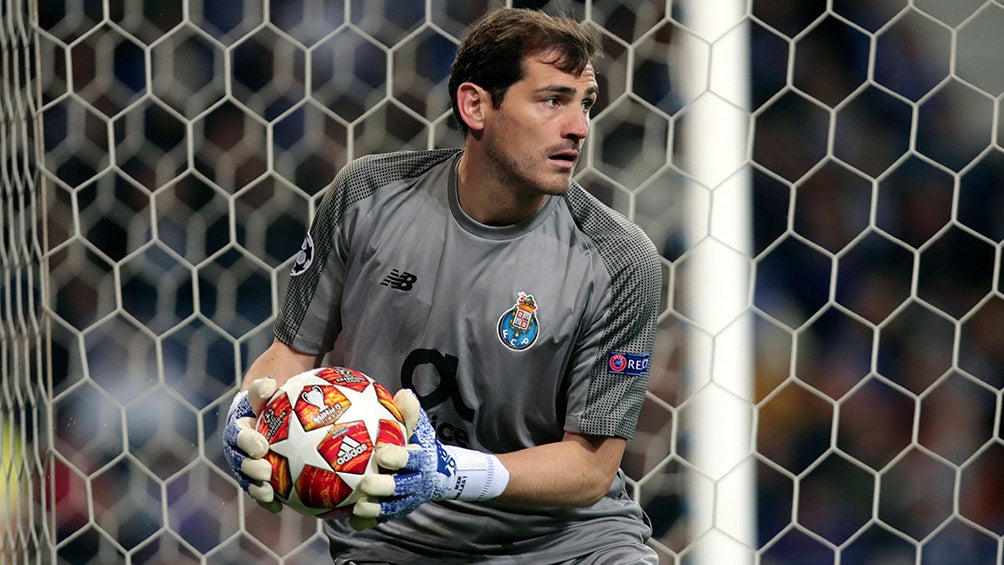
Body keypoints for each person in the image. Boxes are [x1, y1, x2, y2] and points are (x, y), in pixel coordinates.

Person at [223, 7, 663, 563]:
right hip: (396, 541)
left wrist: (450, 474)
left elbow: (590, 469)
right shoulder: (365, 198)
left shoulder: (620, 260)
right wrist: (247, 417)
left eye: (585, 104)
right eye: (553, 100)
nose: (578, 126)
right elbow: (288, 354)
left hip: (568, 546)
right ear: (475, 105)